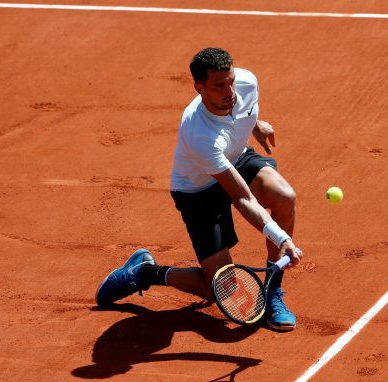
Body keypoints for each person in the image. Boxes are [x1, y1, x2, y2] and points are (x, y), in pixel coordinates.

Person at [95, 47, 303, 331]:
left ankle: (272, 292)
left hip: (236, 158)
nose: (230, 90)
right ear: (199, 87)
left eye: (230, 80)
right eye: (219, 85)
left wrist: (256, 126)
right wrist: (281, 239)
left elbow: (246, 109)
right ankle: (143, 273)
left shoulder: (246, 82)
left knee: (285, 197)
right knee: (216, 289)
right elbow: (242, 197)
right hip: (198, 191)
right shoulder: (199, 133)